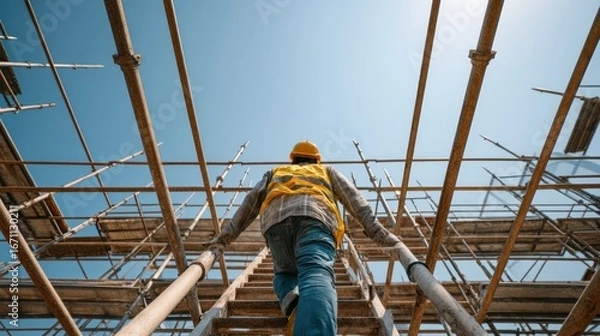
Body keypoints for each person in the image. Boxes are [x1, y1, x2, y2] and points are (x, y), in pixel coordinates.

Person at [205, 140, 401, 336]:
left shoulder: (276, 172)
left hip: (276, 224)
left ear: (293, 159)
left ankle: (295, 306)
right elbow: (353, 198)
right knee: (316, 273)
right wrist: (377, 232)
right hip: (315, 218)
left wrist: (225, 238)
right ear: (317, 160)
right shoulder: (326, 171)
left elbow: (250, 203)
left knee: (284, 275)